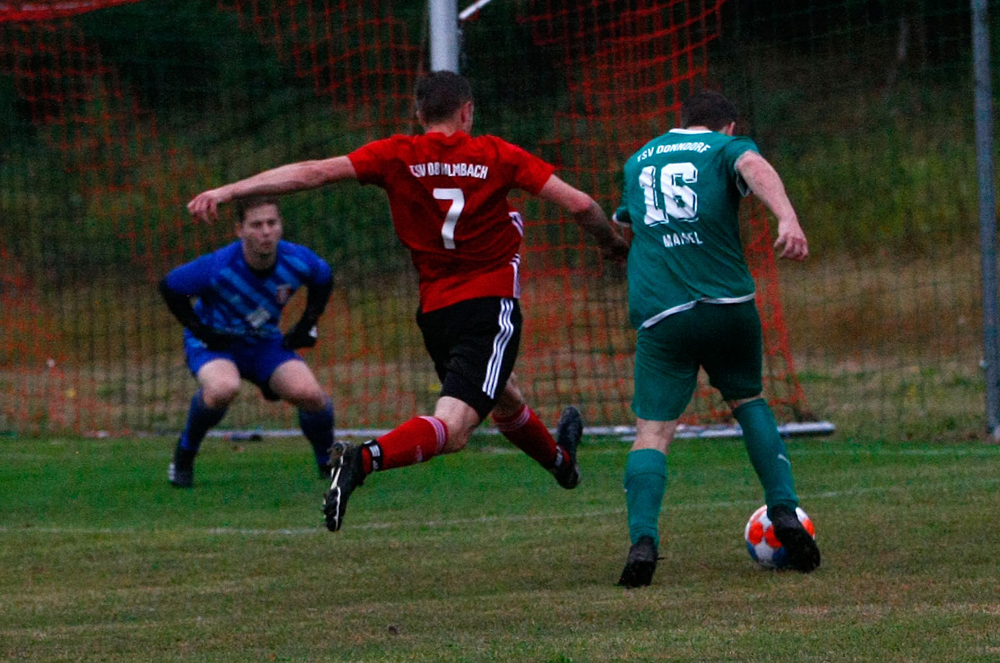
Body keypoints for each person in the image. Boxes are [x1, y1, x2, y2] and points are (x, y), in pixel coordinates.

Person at [187, 70, 631, 531]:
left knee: (503, 396)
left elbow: (311, 173)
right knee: (455, 428)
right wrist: (612, 244)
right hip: (488, 306)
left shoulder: (397, 154)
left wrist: (230, 190)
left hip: (437, 314)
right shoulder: (497, 154)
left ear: (419, 114)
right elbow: (580, 205)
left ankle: (562, 464)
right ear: (467, 111)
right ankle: (363, 459)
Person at [611, 90, 819, 587]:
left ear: (681, 122)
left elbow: (624, 224)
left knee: (653, 433)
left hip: (664, 315)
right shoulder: (727, 148)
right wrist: (786, 217)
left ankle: (643, 540)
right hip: (728, 308)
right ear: (728, 126)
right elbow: (754, 165)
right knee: (749, 402)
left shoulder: (638, 160)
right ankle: (784, 512)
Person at [160, 196, 335, 488]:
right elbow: (170, 286)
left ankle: (329, 463)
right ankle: (184, 455)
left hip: (263, 342)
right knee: (223, 388)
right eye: (256, 225)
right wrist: (200, 330)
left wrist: (307, 325)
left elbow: (323, 279)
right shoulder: (218, 266)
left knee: (311, 395)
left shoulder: (297, 260)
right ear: (239, 230)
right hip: (215, 344)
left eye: (272, 223)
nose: (266, 231)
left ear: (280, 227)